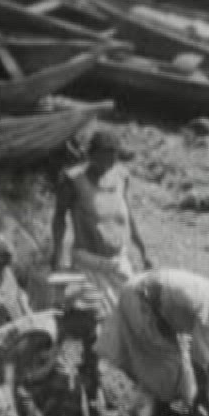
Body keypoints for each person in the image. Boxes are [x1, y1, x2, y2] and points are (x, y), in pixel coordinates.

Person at [96, 269, 209, 416]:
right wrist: (207, 406)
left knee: (176, 371)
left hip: (153, 297)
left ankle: (153, 403)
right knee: (168, 373)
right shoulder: (207, 315)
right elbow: (200, 366)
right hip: (140, 300)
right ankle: (149, 410)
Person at [51, 129, 152, 316]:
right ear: (92, 154)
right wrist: (57, 256)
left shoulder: (121, 177)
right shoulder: (73, 181)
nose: (110, 162)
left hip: (118, 263)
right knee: (93, 317)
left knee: (131, 315)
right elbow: (59, 218)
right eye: (105, 156)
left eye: (113, 156)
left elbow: (127, 214)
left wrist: (142, 249)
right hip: (89, 264)